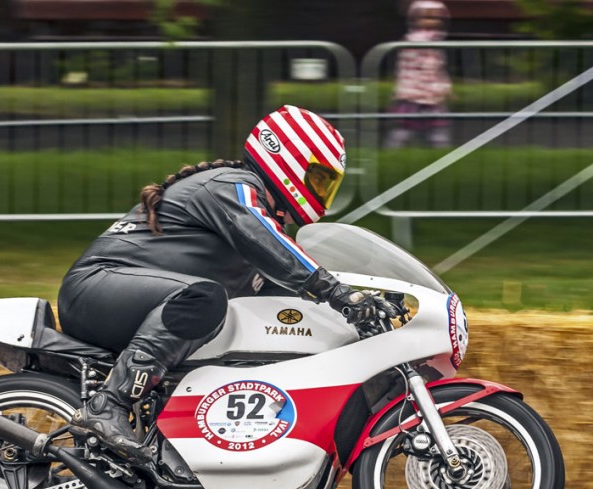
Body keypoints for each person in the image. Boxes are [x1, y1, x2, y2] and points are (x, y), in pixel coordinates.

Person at [58, 105, 394, 463]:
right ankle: (108, 404)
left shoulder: (259, 213)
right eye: (318, 178)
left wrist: (362, 307)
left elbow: (283, 289)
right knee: (204, 298)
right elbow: (271, 246)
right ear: (286, 159)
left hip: (130, 298)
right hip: (96, 288)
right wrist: (338, 292)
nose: (322, 192)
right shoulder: (232, 187)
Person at [384, 0, 452, 149]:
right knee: (406, 129)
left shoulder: (436, 39)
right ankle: (392, 152)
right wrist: (439, 88)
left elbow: (438, 68)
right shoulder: (419, 40)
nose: (432, 21)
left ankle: (439, 155)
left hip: (430, 94)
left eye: (437, 17)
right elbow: (426, 67)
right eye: (426, 17)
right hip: (415, 93)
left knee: (436, 130)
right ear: (414, 19)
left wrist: (444, 87)